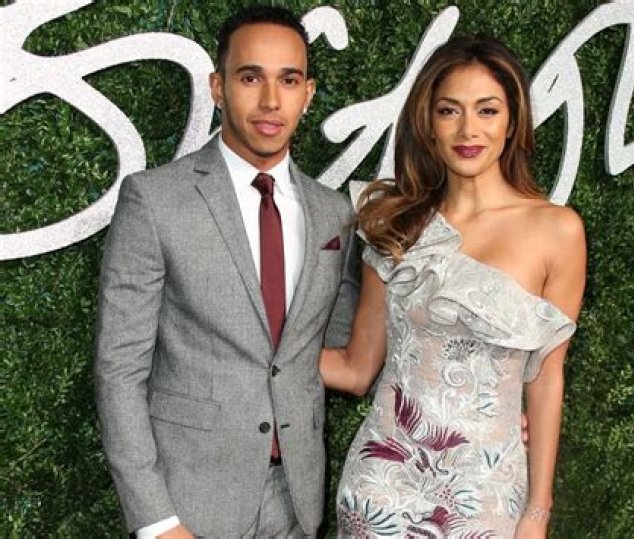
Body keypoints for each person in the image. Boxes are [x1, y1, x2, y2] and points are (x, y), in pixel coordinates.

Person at [95, 6, 357, 538]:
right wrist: (156, 520)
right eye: (250, 77)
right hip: (189, 503)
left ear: (308, 94)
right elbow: (119, 370)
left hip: (297, 504)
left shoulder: (334, 214)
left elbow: (339, 352)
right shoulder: (154, 200)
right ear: (218, 87)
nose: (271, 100)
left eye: (289, 80)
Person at [321, 35, 586, 538]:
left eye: (487, 110)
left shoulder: (558, 231)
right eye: (449, 111)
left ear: (513, 121)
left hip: (486, 494)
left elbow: (547, 378)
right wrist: (252, 354)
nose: (468, 130)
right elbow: (358, 367)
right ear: (428, 123)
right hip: (382, 487)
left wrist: (538, 510)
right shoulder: (393, 221)